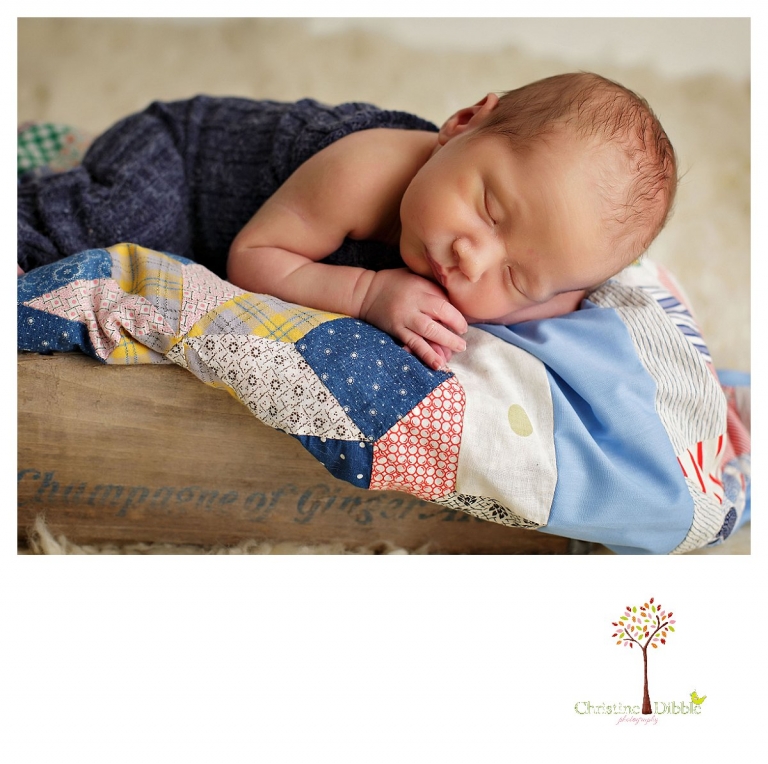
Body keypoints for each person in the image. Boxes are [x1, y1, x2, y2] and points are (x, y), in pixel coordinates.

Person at [18, 72, 677, 370]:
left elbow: (563, 303)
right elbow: (253, 256)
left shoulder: (537, 268)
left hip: (240, 222)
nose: (472, 258)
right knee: (109, 226)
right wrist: (368, 293)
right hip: (181, 163)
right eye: (489, 209)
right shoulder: (368, 171)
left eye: (517, 277)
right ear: (463, 124)